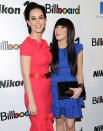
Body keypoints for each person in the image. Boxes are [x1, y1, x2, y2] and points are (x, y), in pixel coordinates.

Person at [20, 2, 54, 131]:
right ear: (28, 22)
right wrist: (32, 102)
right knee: (40, 126)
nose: (37, 22)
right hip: (35, 93)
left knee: (47, 124)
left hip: (47, 92)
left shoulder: (45, 43)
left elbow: (48, 67)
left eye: (40, 17)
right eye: (33, 18)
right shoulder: (26, 45)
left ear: (45, 20)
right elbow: (25, 76)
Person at [50, 18, 84, 131]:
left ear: (69, 31)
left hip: (71, 90)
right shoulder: (49, 49)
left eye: (62, 27)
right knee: (59, 122)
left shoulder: (77, 48)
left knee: (70, 125)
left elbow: (79, 71)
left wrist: (80, 87)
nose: (58, 30)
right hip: (55, 89)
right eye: (57, 27)